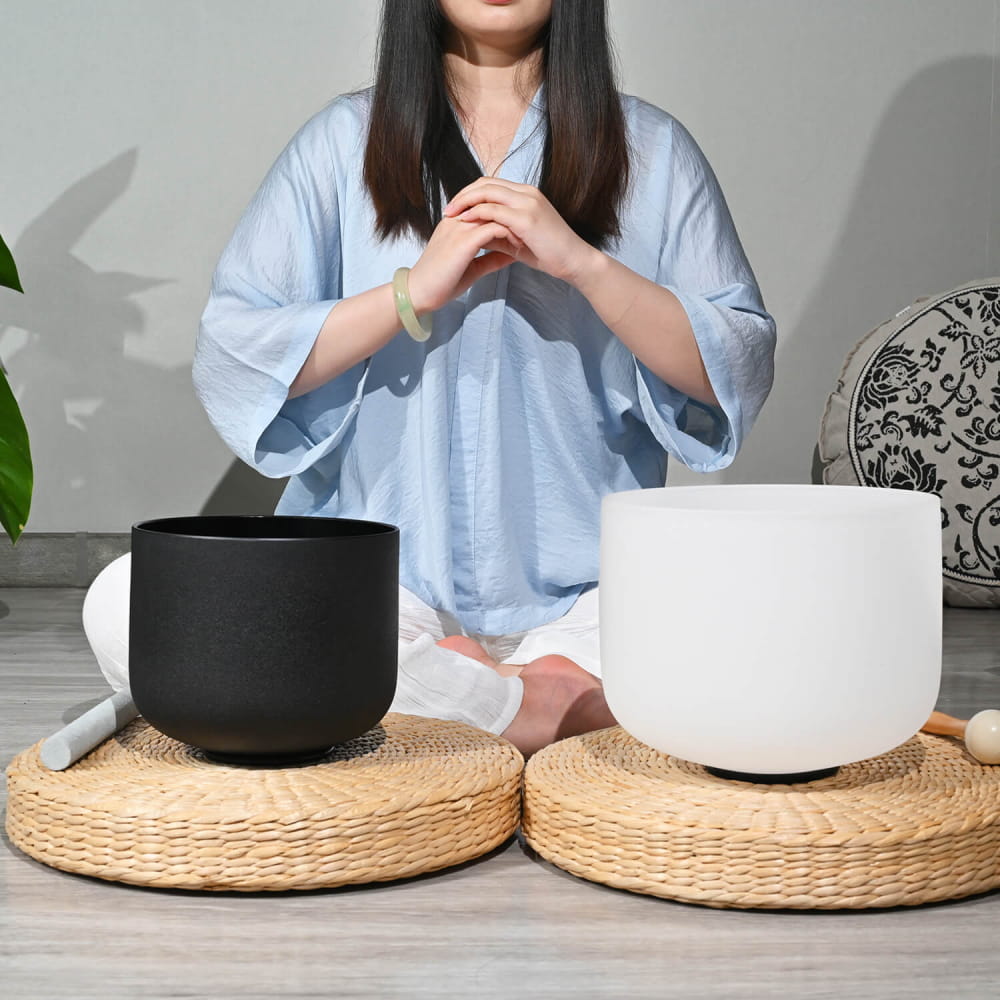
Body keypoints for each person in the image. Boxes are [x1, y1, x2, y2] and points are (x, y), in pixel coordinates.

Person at [85, 0, 775, 757]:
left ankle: (453, 711)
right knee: (125, 600)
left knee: (770, 594)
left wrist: (583, 263)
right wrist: (411, 293)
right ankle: (533, 714)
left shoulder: (654, 150)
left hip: (597, 602)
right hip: (374, 597)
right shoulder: (341, 143)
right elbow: (236, 351)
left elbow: (733, 362)